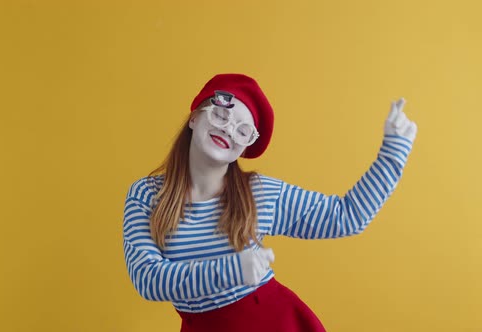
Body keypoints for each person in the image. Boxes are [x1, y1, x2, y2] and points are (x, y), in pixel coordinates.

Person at [122, 74, 417, 332]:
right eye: (221, 114)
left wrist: (394, 151)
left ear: (245, 146)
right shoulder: (146, 196)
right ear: (195, 116)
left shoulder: (258, 193)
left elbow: (345, 216)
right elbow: (148, 278)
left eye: (242, 130)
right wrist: (232, 270)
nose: (227, 129)